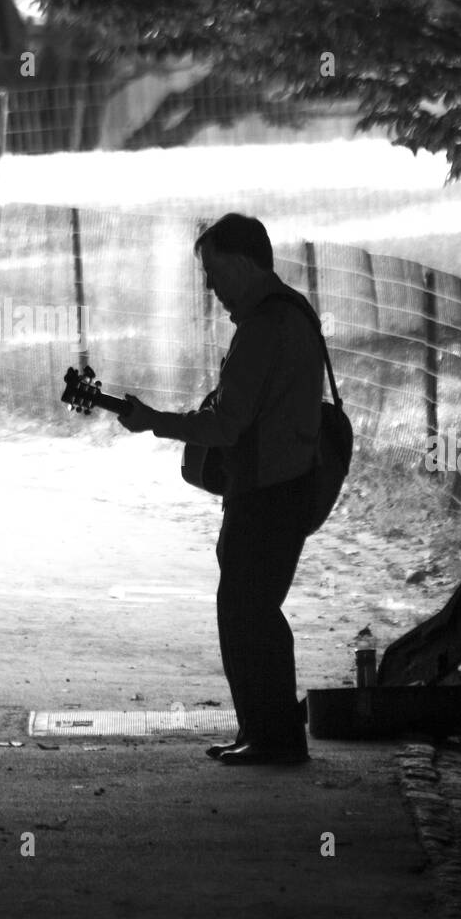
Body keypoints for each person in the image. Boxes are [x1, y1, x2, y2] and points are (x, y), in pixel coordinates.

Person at [120, 213, 324, 766]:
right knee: (252, 611)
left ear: (241, 263)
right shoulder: (291, 313)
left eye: (214, 274)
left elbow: (227, 425)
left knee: (247, 613)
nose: (211, 289)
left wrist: (155, 421)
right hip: (283, 485)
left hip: (266, 493)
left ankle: (274, 739)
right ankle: (265, 731)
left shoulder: (264, 328)